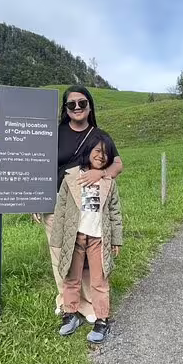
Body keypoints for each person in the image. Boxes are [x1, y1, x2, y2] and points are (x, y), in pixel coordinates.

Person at [32, 85, 123, 323]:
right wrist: (35, 198)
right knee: (61, 253)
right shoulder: (55, 133)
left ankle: (88, 302)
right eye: (71, 104)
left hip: (88, 207)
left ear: (89, 105)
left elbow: (117, 164)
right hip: (57, 204)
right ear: (65, 109)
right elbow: (41, 165)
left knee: (83, 259)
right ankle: (66, 301)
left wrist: (101, 175)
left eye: (82, 103)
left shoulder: (99, 136)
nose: (77, 108)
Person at [50, 133, 123, 343]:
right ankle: (70, 315)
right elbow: (61, 208)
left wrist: (116, 239)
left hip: (99, 239)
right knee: (71, 278)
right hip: (75, 238)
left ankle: (102, 320)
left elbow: (115, 211)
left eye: (106, 153)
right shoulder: (71, 177)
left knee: (99, 281)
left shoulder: (108, 181)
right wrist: (58, 239)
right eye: (97, 150)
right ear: (88, 150)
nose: (101, 156)